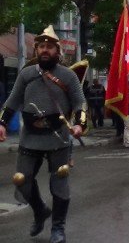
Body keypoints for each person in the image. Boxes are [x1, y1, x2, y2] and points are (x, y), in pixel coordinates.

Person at [0, 25, 86, 243]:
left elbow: (79, 103)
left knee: (59, 183)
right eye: (41, 47)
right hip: (30, 136)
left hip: (58, 137)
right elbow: (12, 101)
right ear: (36, 50)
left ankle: (58, 228)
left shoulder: (67, 76)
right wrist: (1, 123)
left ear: (57, 51)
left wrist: (79, 125)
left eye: (49, 47)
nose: (45, 50)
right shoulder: (26, 74)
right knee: (22, 180)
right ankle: (40, 211)